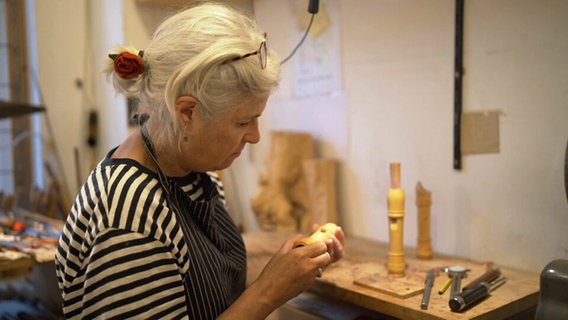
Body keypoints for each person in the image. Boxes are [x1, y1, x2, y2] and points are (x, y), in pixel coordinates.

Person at [55, 2, 344, 319]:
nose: (255, 136)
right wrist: (269, 292)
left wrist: (296, 265)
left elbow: (213, 290)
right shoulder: (130, 216)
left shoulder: (192, 174)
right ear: (188, 112)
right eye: (243, 122)